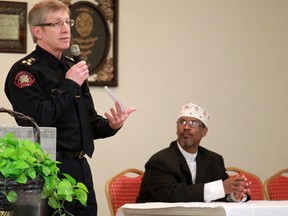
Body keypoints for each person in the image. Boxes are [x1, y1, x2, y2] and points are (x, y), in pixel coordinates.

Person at [4, 0, 137, 215]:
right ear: (38, 31)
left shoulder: (71, 67)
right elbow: (38, 119)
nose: (66, 28)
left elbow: (89, 123)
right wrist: (69, 84)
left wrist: (111, 125)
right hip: (47, 169)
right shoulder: (25, 72)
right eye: (57, 23)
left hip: (81, 168)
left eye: (68, 21)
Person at [136, 102, 250, 203]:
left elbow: (223, 191)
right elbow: (173, 194)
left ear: (204, 132)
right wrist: (220, 188)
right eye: (182, 122)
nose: (186, 127)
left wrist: (234, 194)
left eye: (193, 123)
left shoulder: (213, 160)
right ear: (177, 128)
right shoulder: (160, 161)